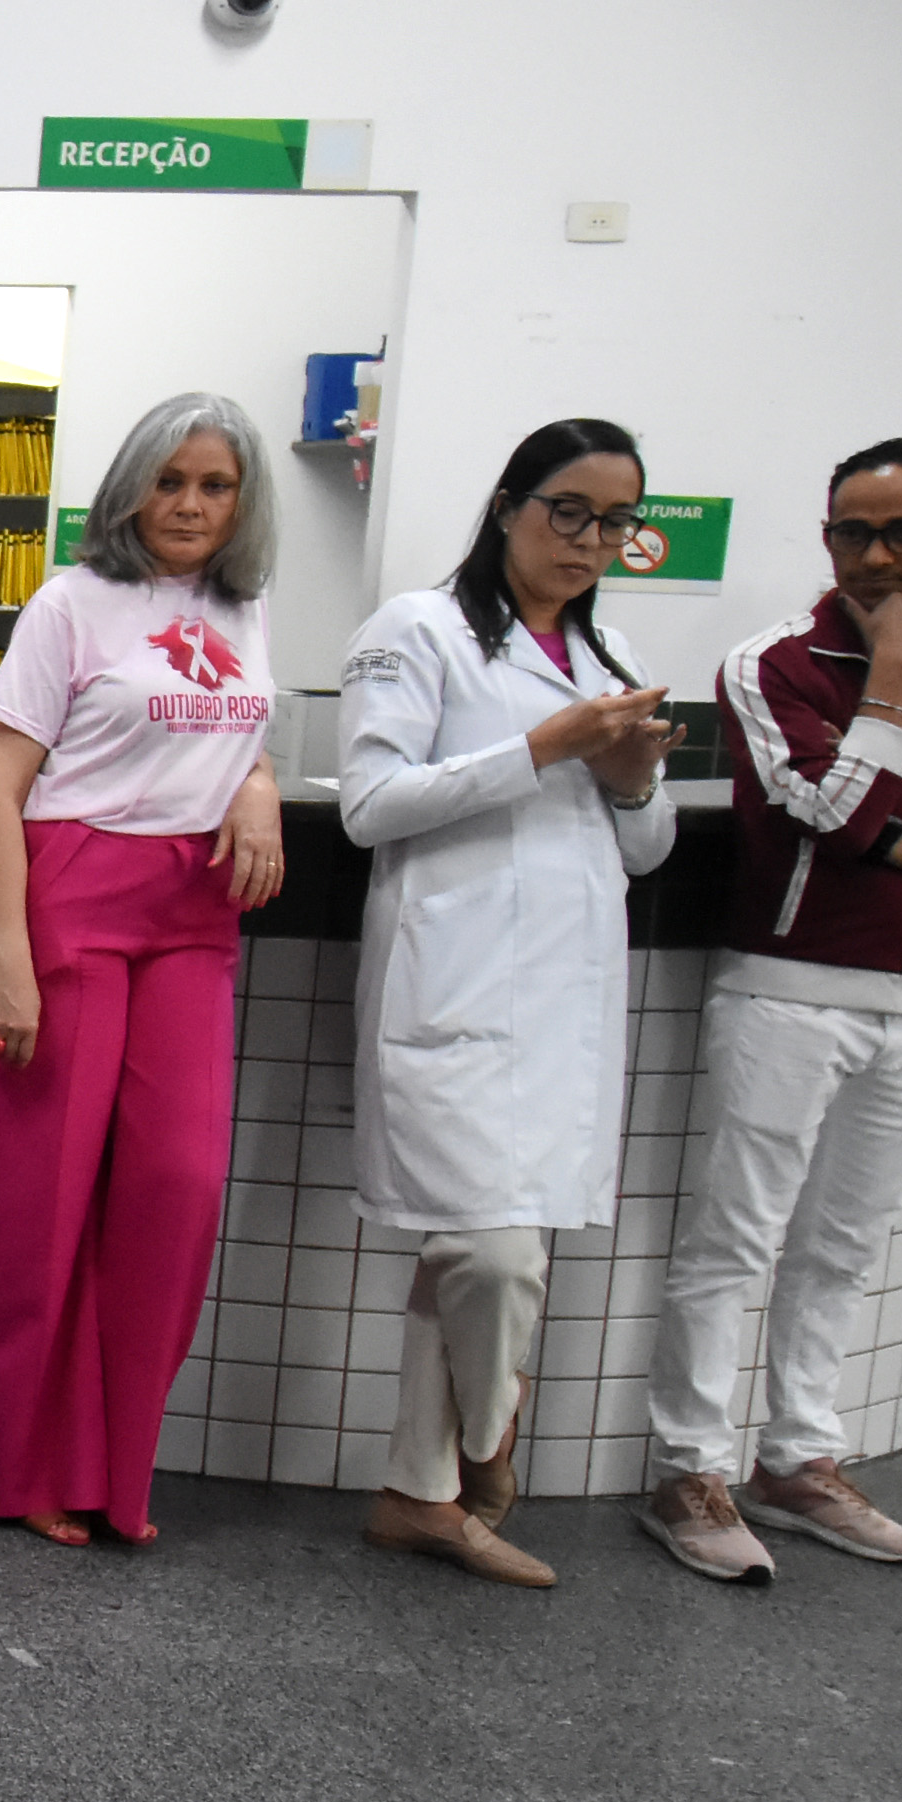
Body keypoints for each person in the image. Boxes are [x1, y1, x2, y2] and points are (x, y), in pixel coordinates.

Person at [640, 440, 902, 1580]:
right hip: (785, 994)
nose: (874, 557)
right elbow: (828, 807)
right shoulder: (771, 665)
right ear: (825, 539)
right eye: (850, 534)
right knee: (733, 1240)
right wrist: (886, 680)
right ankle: (686, 1465)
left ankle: (797, 1458)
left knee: (842, 1246)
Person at [333, 420, 679, 1590]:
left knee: (476, 1249)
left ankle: (415, 1495)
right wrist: (540, 748)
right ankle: (488, 1446)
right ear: (508, 507)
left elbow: (645, 849)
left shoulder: (608, 651)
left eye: (616, 521)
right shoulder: (417, 631)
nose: (589, 540)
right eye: (567, 511)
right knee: (488, 1251)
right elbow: (369, 804)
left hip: (564, 993)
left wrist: (629, 783)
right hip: (455, 979)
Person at [0, 394, 285, 1548]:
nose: (190, 506)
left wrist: (253, 790)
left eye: (215, 486)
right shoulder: (70, 604)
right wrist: (9, 958)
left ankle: (119, 1476)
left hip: (193, 915)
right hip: (71, 897)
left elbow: (235, 737)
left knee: (177, 1188)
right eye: (169, 481)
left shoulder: (245, 610)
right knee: (42, 1198)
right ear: (129, 488)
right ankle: (28, 1470)